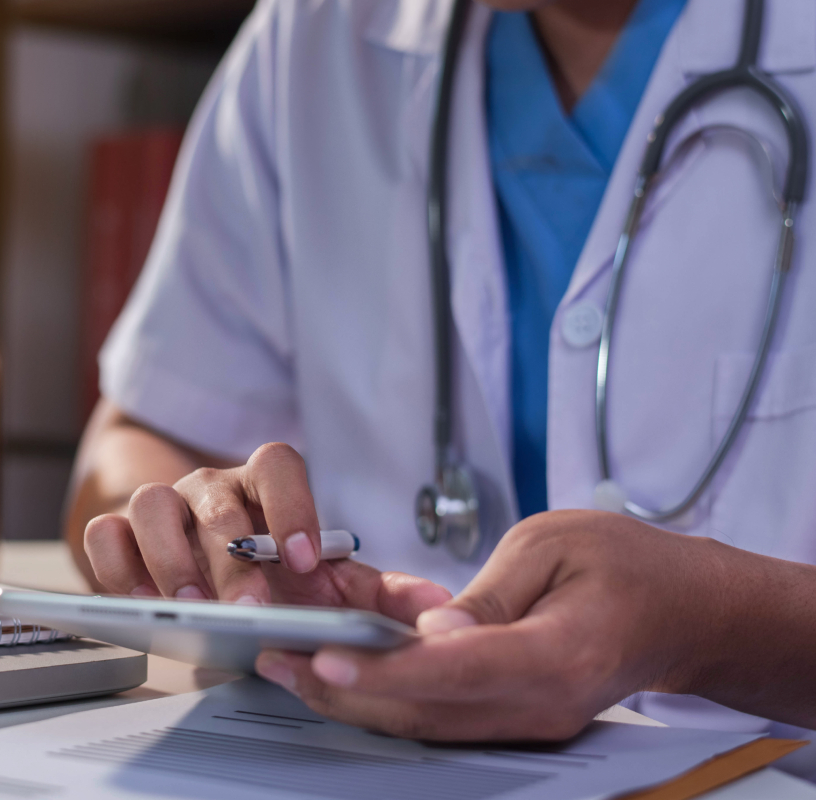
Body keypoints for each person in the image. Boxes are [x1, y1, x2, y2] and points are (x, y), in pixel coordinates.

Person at [64, 0, 816, 752]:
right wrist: (213, 553)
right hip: (360, 758)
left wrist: (711, 627)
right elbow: (142, 434)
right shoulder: (315, 32)